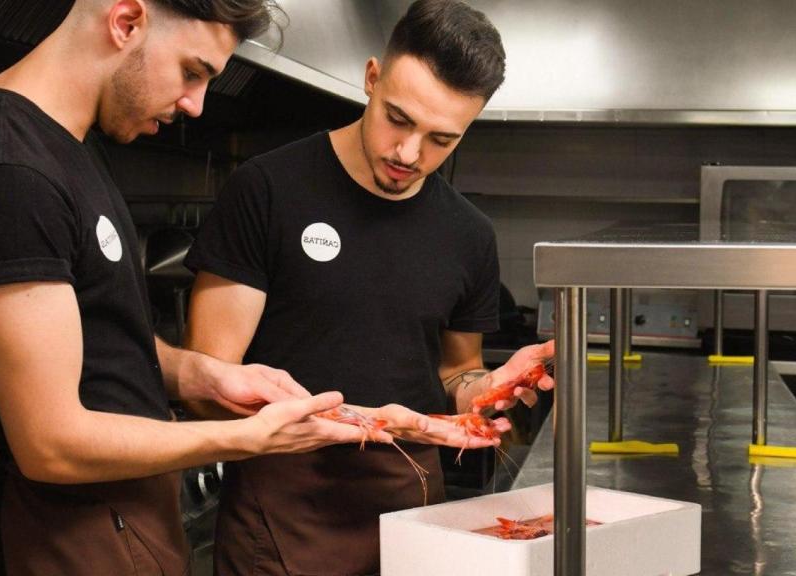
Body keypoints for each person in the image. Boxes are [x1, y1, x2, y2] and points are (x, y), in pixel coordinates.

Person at [0, 1, 394, 574]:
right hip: (71, 530)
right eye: (193, 71)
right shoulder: (10, 173)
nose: (195, 104)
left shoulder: (68, 148)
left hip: (118, 514)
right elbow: (51, 444)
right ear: (126, 21)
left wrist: (200, 373)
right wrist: (244, 440)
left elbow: (96, 341)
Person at [183, 1, 556, 573]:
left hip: (410, 503)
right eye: (398, 119)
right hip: (284, 508)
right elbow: (205, 387)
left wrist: (490, 388)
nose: (410, 154)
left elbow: (456, 376)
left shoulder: (468, 234)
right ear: (372, 77)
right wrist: (358, 422)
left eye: (442, 140)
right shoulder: (268, 190)